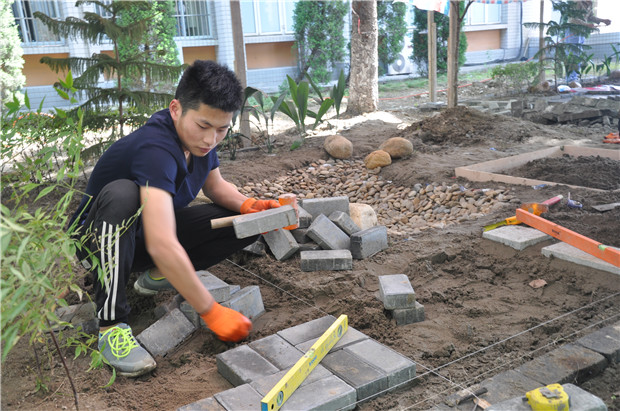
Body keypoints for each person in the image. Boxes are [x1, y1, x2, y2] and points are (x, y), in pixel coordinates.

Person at [70, 60, 281, 378]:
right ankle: (112, 327)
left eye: (222, 129)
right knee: (124, 194)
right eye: (204, 126)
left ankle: (155, 277)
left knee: (242, 222)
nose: (211, 139)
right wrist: (210, 311)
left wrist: (249, 204)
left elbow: (215, 186)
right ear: (176, 109)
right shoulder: (156, 148)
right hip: (100, 242)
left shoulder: (198, 141)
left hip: (143, 238)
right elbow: (161, 240)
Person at [564, 0, 611, 82]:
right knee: (573, 54)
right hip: (573, 29)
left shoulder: (589, 3)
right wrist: (586, 25)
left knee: (578, 53)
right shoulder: (577, 3)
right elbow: (573, 19)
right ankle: (570, 79)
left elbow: (590, 17)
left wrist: (603, 20)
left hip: (581, 31)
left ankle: (573, 78)